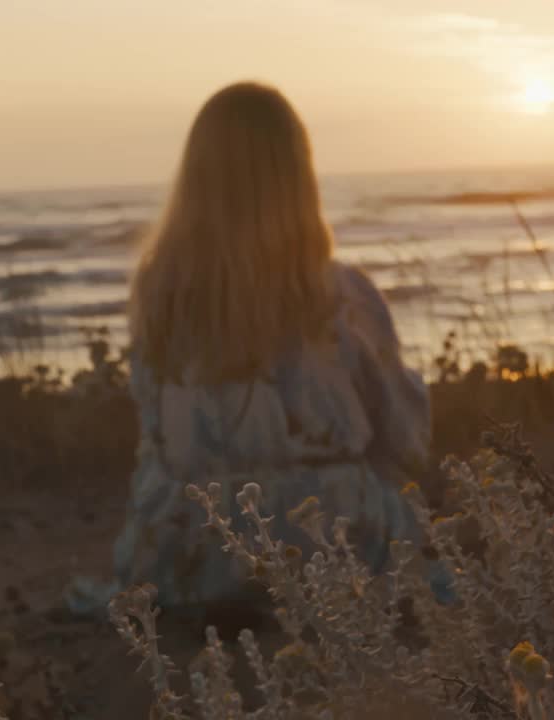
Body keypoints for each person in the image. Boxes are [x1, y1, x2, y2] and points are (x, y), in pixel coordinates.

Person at [67, 81, 453, 616]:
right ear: (299, 178)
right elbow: (403, 436)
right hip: (330, 537)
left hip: (185, 548)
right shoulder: (341, 295)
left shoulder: (160, 295)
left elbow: (154, 439)